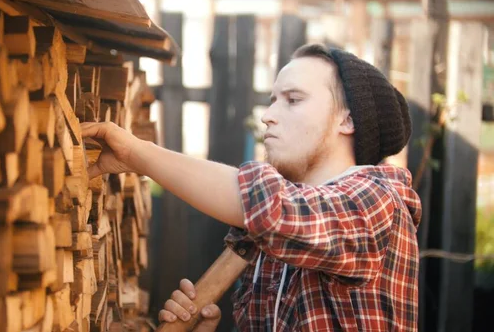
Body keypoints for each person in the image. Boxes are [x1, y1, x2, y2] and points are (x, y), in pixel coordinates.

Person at [80, 43, 422, 331]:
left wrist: (137, 154)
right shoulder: (261, 246)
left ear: (347, 119)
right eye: (272, 100)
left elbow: (273, 208)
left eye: (293, 100)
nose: (268, 115)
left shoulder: (378, 201)